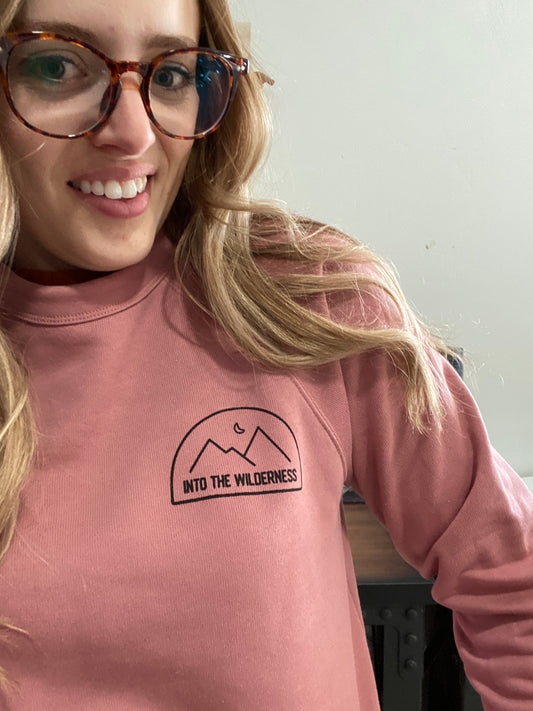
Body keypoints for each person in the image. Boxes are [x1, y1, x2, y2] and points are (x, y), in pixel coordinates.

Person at [0, 0, 531, 708]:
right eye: (57, 66)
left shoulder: (308, 302)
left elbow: (514, 581)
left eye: (171, 74)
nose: (133, 132)